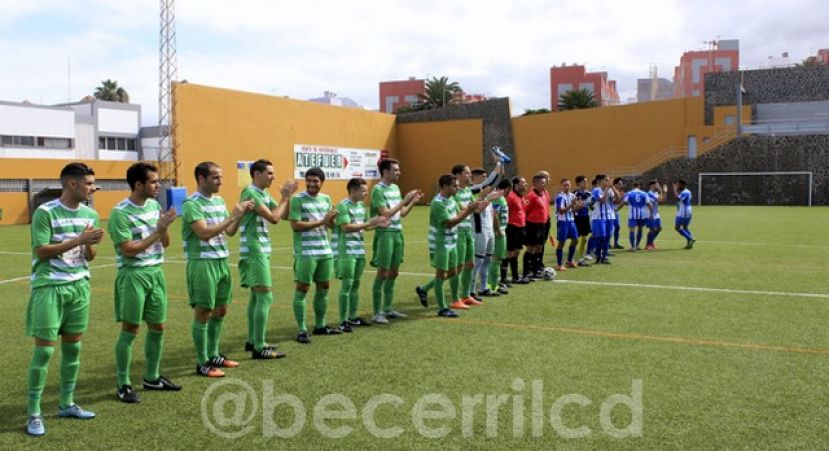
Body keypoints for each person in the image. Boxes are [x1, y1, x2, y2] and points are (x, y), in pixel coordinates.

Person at [25, 162, 105, 436]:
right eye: (89, 183)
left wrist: (90, 242)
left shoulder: (89, 213)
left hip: (79, 285)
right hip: (50, 288)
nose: (93, 188)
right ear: (72, 184)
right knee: (45, 351)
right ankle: (34, 413)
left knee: (73, 349)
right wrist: (78, 239)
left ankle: (66, 403)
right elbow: (41, 252)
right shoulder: (45, 212)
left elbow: (89, 255)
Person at [109, 162, 180, 404]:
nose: (157, 185)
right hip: (133, 276)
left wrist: (163, 229)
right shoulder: (120, 213)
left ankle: (152, 377)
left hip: (155, 273)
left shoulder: (154, 206)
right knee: (130, 330)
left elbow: (166, 242)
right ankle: (123, 384)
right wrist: (157, 230)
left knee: (158, 327)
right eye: (153, 182)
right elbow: (128, 250)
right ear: (138, 184)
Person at [183, 162, 252, 378]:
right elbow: (204, 233)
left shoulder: (220, 201)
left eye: (221, 177)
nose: (220, 181)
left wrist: (239, 216)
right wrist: (232, 215)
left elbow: (229, 231)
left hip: (222, 261)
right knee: (203, 312)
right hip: (202, 262)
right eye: (215, 177)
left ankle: (214, 355)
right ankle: (202, 362)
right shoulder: (191, 204)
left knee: (221, 309)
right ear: (201, 179)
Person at [239, 159, 297, 359]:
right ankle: (259, 346)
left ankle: (253, 340)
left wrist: (286, 198)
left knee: (257, 296)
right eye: (270, 173)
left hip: (261, 249)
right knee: (265, 296)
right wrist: (284, 197)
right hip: (255, 250)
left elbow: (284, 215)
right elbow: (273, 217)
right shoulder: (251, 193)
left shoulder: (263, 194)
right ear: (257, 174)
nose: (273, 177)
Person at [290, 167, 340, 343]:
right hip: (306, 253)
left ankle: (320, 326)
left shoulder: (326, 198)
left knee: (324, 288)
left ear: (322, 182)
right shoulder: (297, 200)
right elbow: (295, 225)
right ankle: (302, 329)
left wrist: (332, 219)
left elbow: (331, 226)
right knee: (302, 289)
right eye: (309, 180)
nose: (311, 184)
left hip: (325, 252)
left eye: (315, 181)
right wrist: (322, 221)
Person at [332, 178, 389, 332]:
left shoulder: (361, 206)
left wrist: (377, 224)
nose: (366, 193)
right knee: (347, 285)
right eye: (363, 191)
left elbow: (363, 227)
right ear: (353, 190)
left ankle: (352, 316)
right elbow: (346, 227)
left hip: (358, 250)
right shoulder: (342, 205)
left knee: (356, 284)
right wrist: (371, 223)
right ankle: (343, 320)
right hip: (346, 251)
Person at [369, 159, 422, 324]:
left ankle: (387, 309)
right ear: (385, 172)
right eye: (396, 170)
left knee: (394, 272)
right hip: (385, 234)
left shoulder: (395, 188)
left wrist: (411, 202)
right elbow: (385, 214)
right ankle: (377, 312)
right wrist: (404, 201)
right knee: (382, 273)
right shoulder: (378, 190)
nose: (399, 172)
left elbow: (402, 213)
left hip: (398, 232)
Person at [426, 174, 484, 317]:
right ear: (445, 186)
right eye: (455, 186)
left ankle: (429, 291)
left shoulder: (451, 199)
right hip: (441, 243)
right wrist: (470, 210)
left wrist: (472, 207)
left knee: (453, 272)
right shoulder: (438, 203)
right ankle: (442, 307)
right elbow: (450, 222)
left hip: (452, 240)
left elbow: (459, 212)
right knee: (441, 274)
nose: (458, 188)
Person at [470, 168, 504, 298]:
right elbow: (477, 210)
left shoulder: (485, 191)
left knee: (488, 260)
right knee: (478, 261)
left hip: (489, 230)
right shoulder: (472, 192)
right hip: (479, 231)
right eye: (483, 177)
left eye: (486, 176)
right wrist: (488, 198)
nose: (486, 180)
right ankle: (471, 290)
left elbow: (498, 179)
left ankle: (484, 288)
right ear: (475, 178)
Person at [524, 174, 551, 279]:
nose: (544, 185)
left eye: (545, 183)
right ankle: (527, 270)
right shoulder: (531, 196)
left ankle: (536, 268)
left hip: (543, 224)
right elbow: (526, 210)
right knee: (531, 248)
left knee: (539, 247)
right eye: (542, 183)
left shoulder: (545, 193)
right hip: (532, 225)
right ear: (535, 183)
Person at [488, 178, 512, 294]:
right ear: (507, 188)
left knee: (496, 260)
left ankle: (492, 285)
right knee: (496, 260)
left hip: (500, 230)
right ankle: (492, 286)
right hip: (499, 232)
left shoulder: (497, 196)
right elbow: (494, 214)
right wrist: (497, 230)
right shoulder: (497, 197)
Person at [505, 176, 529, 284]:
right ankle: (503, 278)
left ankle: (515, 277)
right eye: (523, 183)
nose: (525, 184)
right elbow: (505, 212)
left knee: (517, 252)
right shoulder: (511, 196)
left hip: (521, 227)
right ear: (516, 185)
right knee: (509, 253)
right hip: (512, 227)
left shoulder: (521, 197)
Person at [554, 178, 581, 271]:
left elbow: (573, 209)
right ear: (561, 186)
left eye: (568, 185)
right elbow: (561, 211)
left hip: (571, 221)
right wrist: (571, 204)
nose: (566, 186)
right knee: (562, 242)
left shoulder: (572, 195)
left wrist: (578, 206)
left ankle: (569, 261)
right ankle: (559, 264)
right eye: (564, 185)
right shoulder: (559, 197)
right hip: (562, 222)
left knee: (576, 240)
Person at [590, 174, 618, 264]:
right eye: (606, 180)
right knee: (600, 237)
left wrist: (612, 187)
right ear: (600, 181)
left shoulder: (610, 189)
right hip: (599, 217)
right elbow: (602, 200)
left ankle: (604, 256)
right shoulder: (596, 190)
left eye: (608, 180)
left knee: (607, 237)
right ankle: (598, 255)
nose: (608, 182)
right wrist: (607, 189)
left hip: (610, 216)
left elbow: (618, 198)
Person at [620, 181, 653, 251]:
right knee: (640, 230)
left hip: (632, 215)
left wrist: (617, 209)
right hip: (642, 215)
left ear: (633, 186)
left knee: (632, 230)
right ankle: (637, 245)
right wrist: (651, 214)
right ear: (639, 186)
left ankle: (633, 247)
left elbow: (624, 202)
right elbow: (649, 204)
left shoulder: (629, 193)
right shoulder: (644, 193)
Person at [573, 175, 592, 267]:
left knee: (584, 239)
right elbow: (574, 208)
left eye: (586, 181)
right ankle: (571, 258)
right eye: (584, 181)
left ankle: (581, 259)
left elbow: (592, 207)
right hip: (577, 218)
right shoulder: (575, 194)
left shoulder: (589, 193)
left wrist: (593, 204)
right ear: (578, 183)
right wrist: (583, 204)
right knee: (575, 239)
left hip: (585, 217)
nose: (586, 183)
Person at [673, 179, 696, 249]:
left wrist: (675, 189)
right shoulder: (687, 191)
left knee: (677, 227)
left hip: (684, 212)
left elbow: (678, 198)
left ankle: (690, 238)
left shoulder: (685, 192)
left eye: (678, 184)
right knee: (685, 227)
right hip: (686, 210)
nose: (677, 186)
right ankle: (689, 243)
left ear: (683, 185)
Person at [645, 180, 666, 250]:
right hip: (650, 214)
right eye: (657, 185)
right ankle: (648, 244)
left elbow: (663, 200)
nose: (658, 186)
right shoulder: (649, 194)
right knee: (652, 229)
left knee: (659, 228)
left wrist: (663, 192)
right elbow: (658, 200)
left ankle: (651, 242)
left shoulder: (656, 193)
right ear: (652, 185)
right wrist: (662, 191)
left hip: (656, 214)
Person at [611, 178, 625, 250]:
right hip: (609, 211)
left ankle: (616, 243)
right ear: (615, 184)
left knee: (617, 226)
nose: (621, 185)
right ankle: (608, 243)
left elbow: (619, 202)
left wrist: (619, 199)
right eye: (620, 183)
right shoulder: (611, 191)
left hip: (615, 211)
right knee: (610, 227)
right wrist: (618, 199)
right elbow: (614, 201)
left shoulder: (620, 192)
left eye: (621, 184)